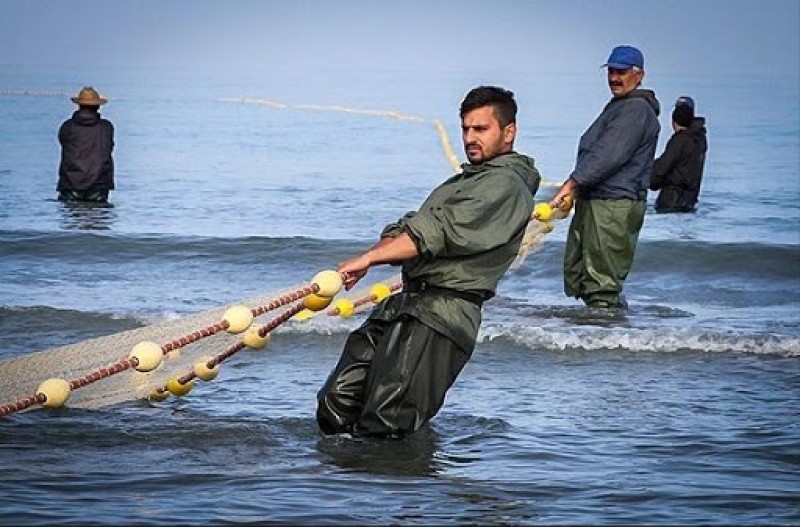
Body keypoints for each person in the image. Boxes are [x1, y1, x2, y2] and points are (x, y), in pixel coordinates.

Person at [316, 86, 541, 438]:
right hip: (405, 303)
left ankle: (401, 488)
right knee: (336, 403)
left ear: (508, 132)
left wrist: (369, 258)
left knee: (386, 424)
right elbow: (411, 228)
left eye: (480, 129)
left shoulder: (505, 186)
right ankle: (336, 488)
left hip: (442, 315)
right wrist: (373, 254)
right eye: (465, 128)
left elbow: (435, 232)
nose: (469, 138)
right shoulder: (464, 181)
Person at [549, 45, 660, 309]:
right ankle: (599, 336)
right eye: (611, 71)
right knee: (583, 276)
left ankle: (605, 344)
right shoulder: (620, 106)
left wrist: (571, 184)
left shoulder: (635, 110)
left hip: (613, 205)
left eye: (621, 72)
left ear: (639, 75)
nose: (614, 78)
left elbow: (609, 155)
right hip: (598, 200)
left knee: (601, 284)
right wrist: (577, 189)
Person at [650, 96, 708, 213]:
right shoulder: (700, 139)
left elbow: (662, 167)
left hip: (671, 200)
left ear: (673, 120)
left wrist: (645, 176)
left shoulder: (680, 140)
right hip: (690, 200)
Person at [57, 86, 115, 202]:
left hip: (70, 183)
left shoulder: (67, 127)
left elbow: (62, 142)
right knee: (99, 216)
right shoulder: (106, 128)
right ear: (98, 106)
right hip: (98, 185)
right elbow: (109, 148)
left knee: (72, 218)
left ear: (79, 105)